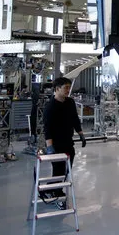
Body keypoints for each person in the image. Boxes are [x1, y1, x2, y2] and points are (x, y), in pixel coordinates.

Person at [43, 77, 86, 208]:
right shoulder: (50, 107)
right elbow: (47, 128)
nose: (68, 90)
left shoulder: (70, 102)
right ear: (57, 89)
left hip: (68, 142)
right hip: (56, 144)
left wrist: (81, 134)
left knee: (66, 170)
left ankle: (48, 190)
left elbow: (74, 119)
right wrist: (49, 146)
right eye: (65, 88)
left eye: (68, 87)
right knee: (58, 170)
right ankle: (58, 194)